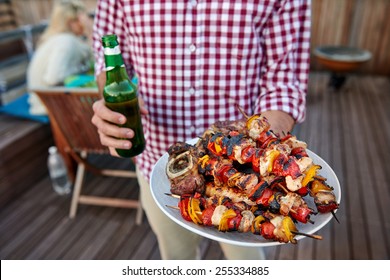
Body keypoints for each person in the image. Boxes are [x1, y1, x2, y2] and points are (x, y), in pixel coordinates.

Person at [91, 0, 311, 260]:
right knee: (176, 260)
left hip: (245, 181)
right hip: (158, 168)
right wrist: (117, 105)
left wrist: (265, 153)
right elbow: (108, 63)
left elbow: (284, 82)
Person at [26, 0, 93, 115]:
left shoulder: (57, 39)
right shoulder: (66, 42)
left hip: (43, 101)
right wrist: (91, 31)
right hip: (47, 106)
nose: (84, 22)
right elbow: (53, 78)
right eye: (81, 19)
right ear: (70, 21)